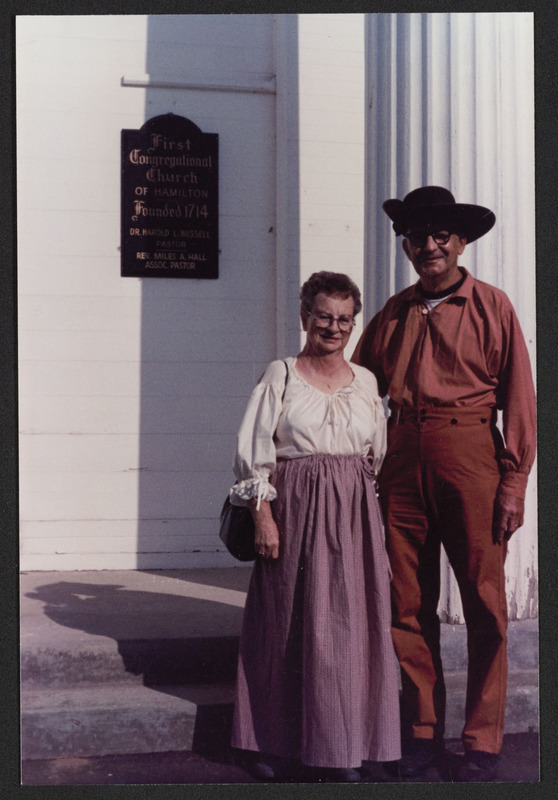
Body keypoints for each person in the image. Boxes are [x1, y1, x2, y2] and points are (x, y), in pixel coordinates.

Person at [351, 186, 537, 782]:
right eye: (417, 236)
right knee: (407, 605)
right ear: (405, 245)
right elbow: (356, 389)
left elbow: (519, 402)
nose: (428, 245)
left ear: (460, 242)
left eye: (440, 235)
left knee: (485, 604)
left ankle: (481, 742)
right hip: (402, 461)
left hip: (471, 459)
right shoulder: (393, 311)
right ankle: (420, 732)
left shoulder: (493, 307)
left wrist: (514, 482)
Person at [229, 271, 401, 782]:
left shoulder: (367, 381)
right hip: (295, 511)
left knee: (349, 628)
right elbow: (254, 451)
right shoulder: (281, 374)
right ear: (305, 316)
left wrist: (361, 512)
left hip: (352, 515)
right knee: (283, 625)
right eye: (323, 315)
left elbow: (378, 455)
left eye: (344, 319)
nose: (333, 327)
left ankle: (344, 745)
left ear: (354, 324)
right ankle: (269, 744)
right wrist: (263, 514)